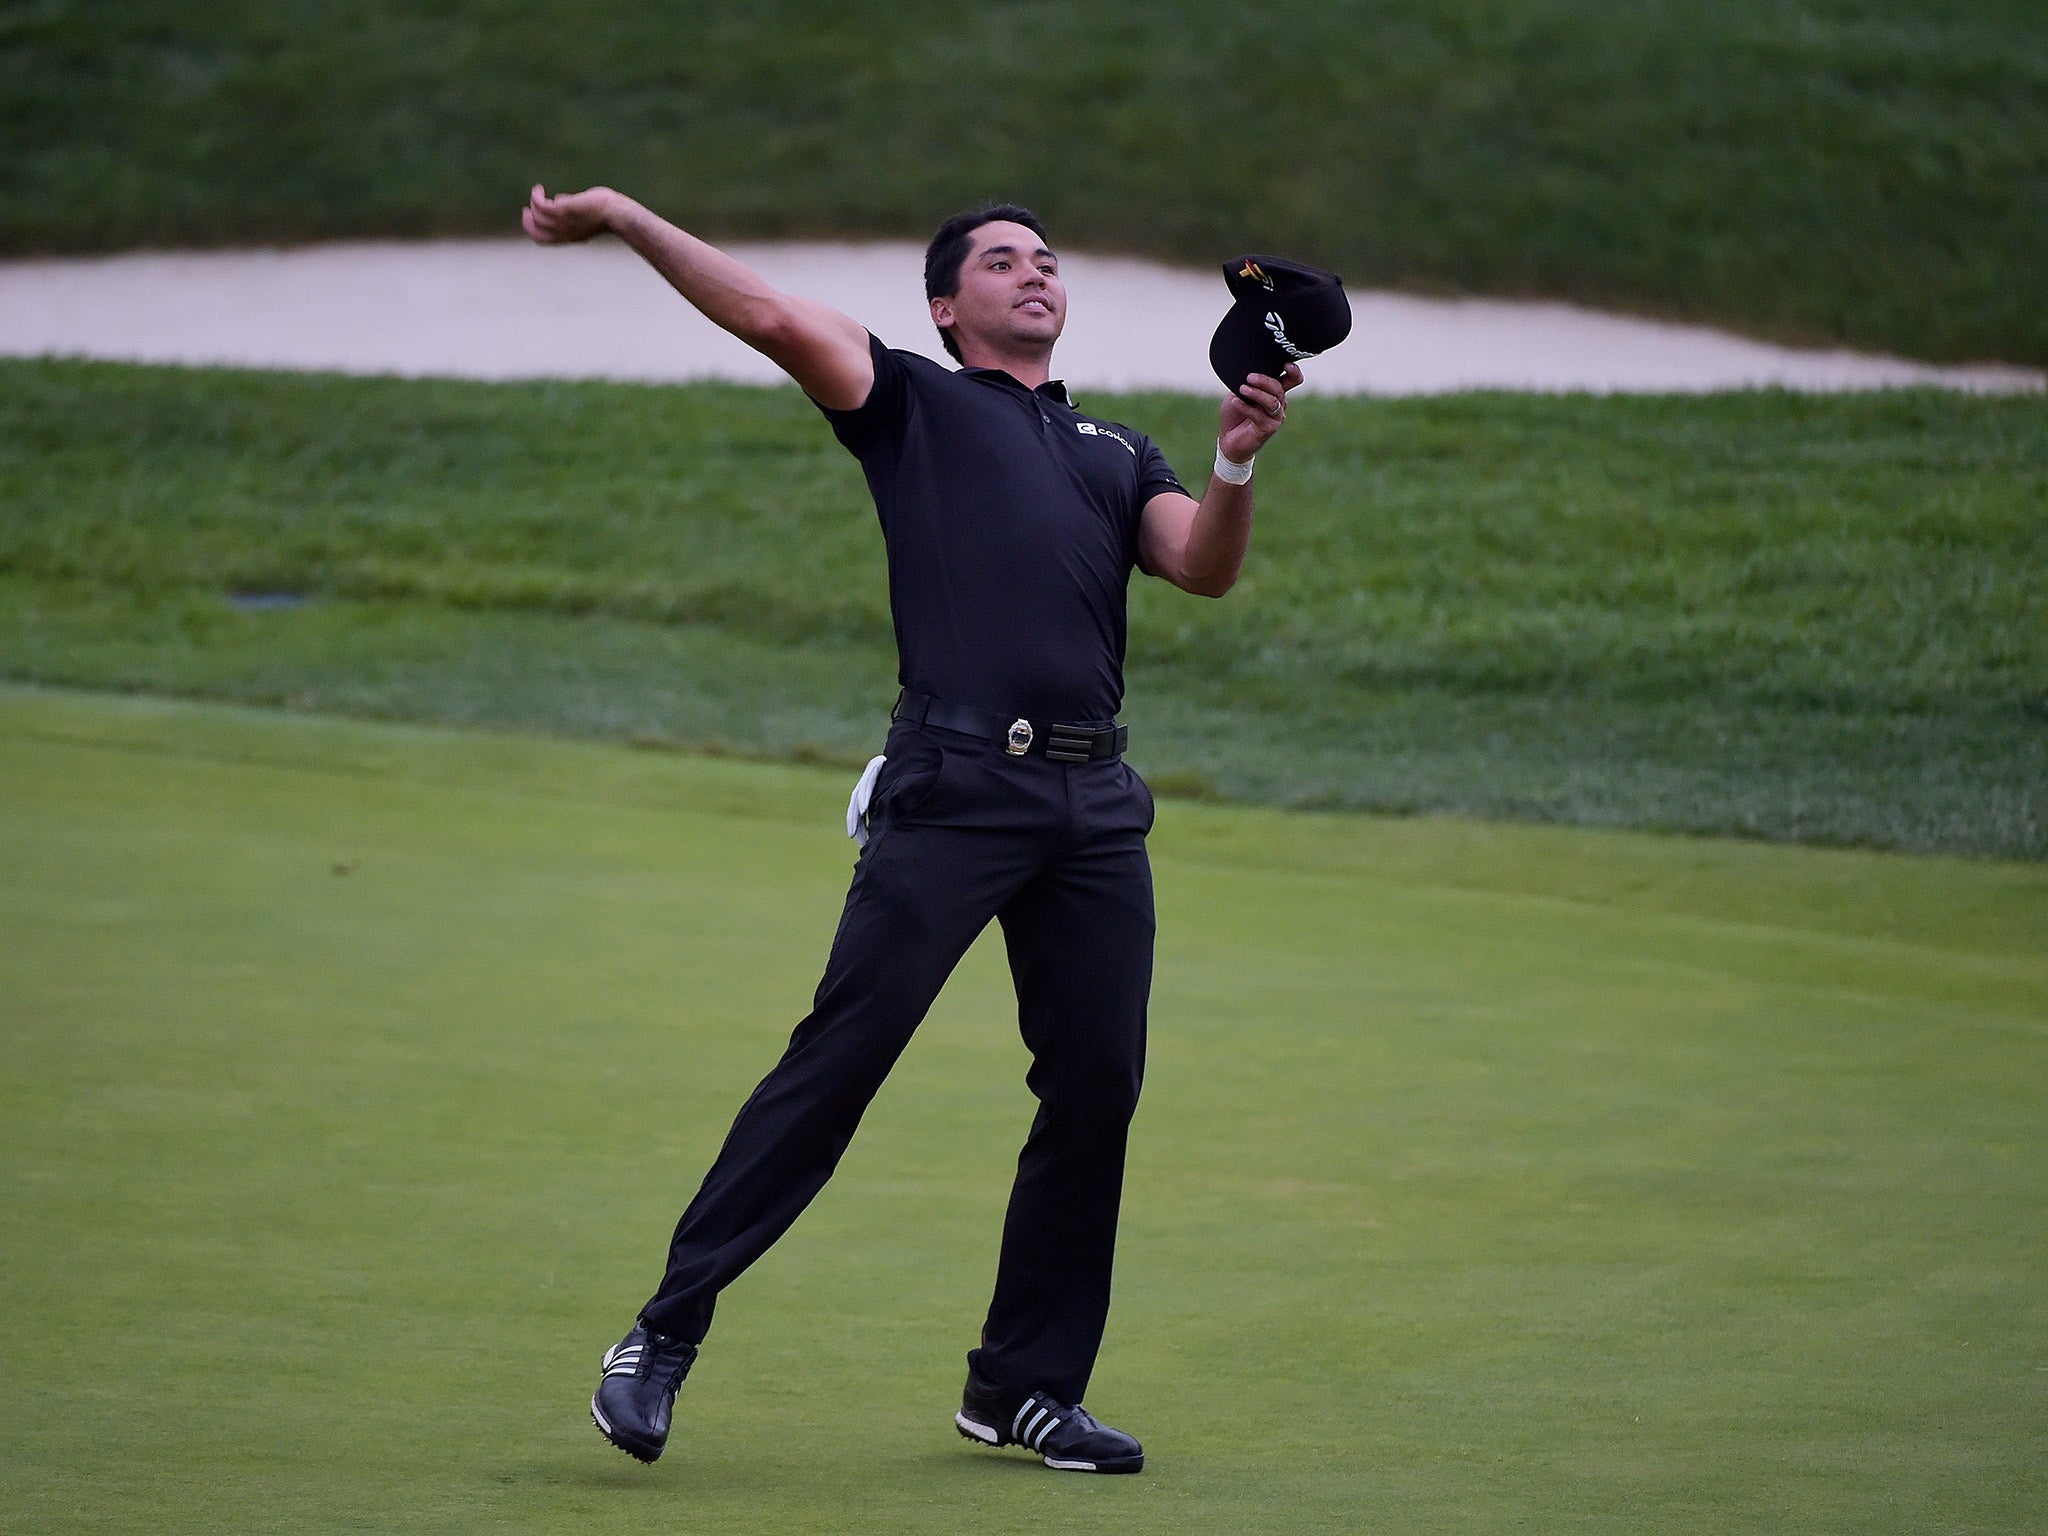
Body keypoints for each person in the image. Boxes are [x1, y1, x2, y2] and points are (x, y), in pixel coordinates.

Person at [521, 183, 1300, 1476]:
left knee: (1097, 1086)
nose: (1035, 273)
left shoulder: (1119, 450)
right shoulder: (909, 404)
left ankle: (1024, 1388)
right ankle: (662, 1333)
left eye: (1047, 258)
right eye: (1001, 262)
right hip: (953, 789)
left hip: (1094, 808)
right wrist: (622, 216)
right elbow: (767, 312)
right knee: (843, 1059)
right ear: (948, 306)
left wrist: (1232, 459)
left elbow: (1203, 568)